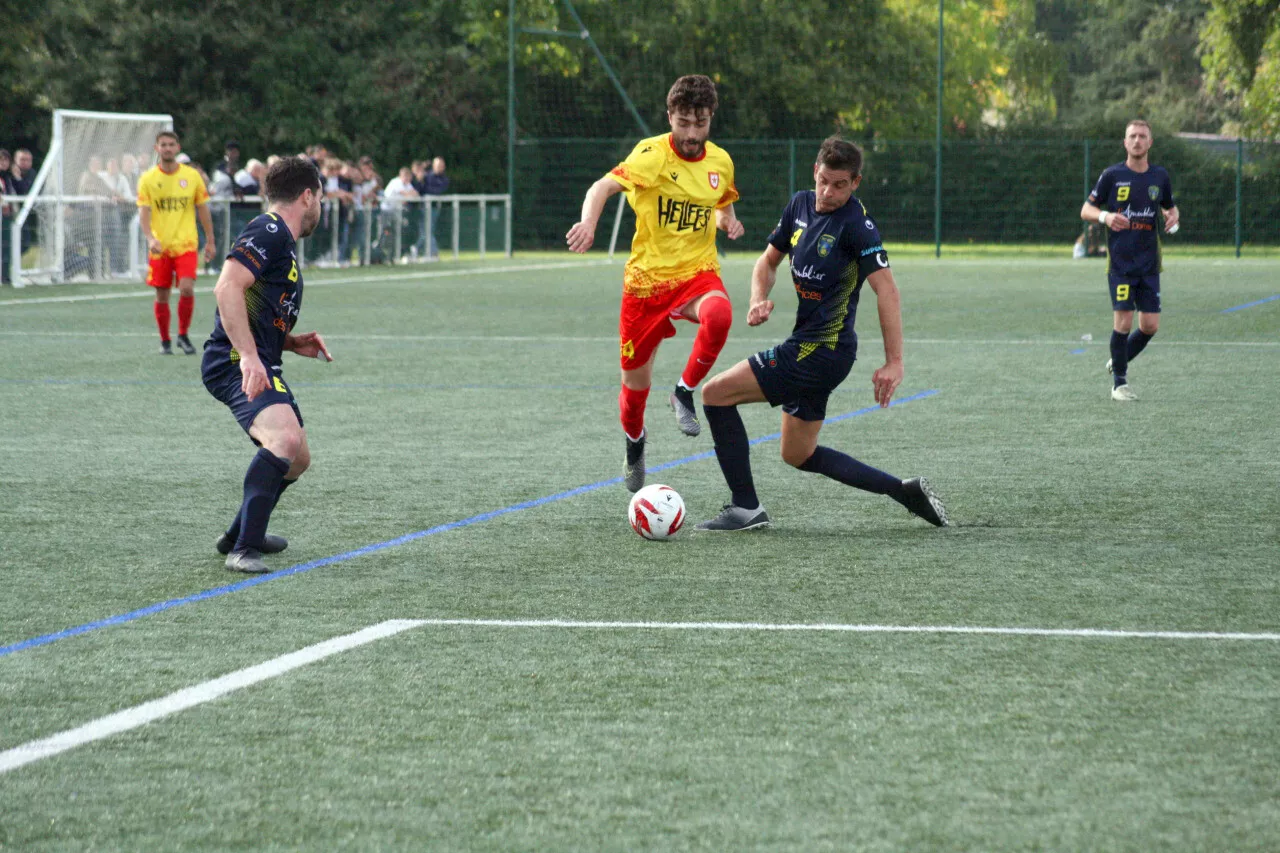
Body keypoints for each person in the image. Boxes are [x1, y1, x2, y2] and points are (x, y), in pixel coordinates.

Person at [693, 137, 947, 532]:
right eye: (823, 181)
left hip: (821, 351)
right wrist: (758, 297)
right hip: (815, 349)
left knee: (714, 395)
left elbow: (887, 290)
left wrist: (894, 362)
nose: (828, 193)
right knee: (797, 453)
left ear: (855, 183)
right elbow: (768, 260)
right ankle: (902, 490)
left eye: (839, 185)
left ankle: (745, 508)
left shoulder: (857, 227)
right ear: (814, 171)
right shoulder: (798, 205)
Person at [566, 74, 744, 492]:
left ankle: (684, 392)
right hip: (646, 287)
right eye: (682, 122)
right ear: (670, 117)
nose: (691, 133)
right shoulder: (651, 156)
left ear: (710, 118)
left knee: (720, 315)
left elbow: (721, 206)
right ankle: (634, 445)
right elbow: (601, 187)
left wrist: (728, 222)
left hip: (696, 275)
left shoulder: (720, 162)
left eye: (699, 123)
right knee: (633, 394)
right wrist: (588, 223)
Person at [201, 156, 331, 574]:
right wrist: (251, 357)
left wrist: (290, 342)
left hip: (260, 357)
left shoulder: (282, 242)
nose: (321, 208)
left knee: (298, 458)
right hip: (233, 359)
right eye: (321, 198)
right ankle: (243, 550)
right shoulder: (270, 229)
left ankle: (241, 534)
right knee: (284, 441)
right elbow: (226, 288)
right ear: (307, 195)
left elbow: (257, 306)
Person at [1080, 119, 1179, 401]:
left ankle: (1118, 360)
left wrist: (1173, 216)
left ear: (1150, 143)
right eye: (1132, 136)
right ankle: (1119, 385)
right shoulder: (1111, 176)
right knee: (1123, 322)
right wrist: (1106, 216)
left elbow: (1170, 208)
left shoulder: (1159, 177)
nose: (1137, 141)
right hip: (1121, 265)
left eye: (1142, 136)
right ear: (1125, 142)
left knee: (1150, 326)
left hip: (1149, 265)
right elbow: (1086, 209)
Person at [137, 131, 216, 354]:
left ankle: (183, 334)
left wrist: (210, 240)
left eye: (171, 144)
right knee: (162, 294)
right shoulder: (148, 179)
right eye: (163, 145)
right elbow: (144, 212)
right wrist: (150, 238)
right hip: (160, 247)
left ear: (178, 147)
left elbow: (203, 209)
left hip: (186, 245)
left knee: (187, 288)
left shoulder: (192, 176)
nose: (168, 148)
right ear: (157, 149)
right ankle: (165, 341)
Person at [422, 156, 449, 258]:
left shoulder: (444, 179)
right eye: (438, 165)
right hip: (421, 207)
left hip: (433, 208)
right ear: (433, 166)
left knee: (428, 229)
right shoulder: (427, 176)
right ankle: (421, 250)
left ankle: (431, 252)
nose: (440, 167)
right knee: (425, 230)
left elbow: (437, 191)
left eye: (441, 165)